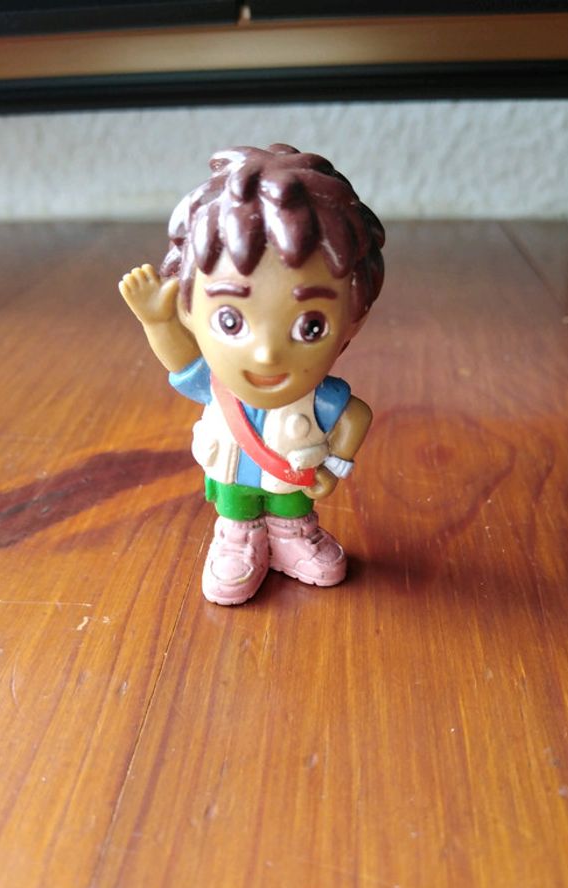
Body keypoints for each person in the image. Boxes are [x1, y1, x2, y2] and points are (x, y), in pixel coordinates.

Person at [119, 144, 385, 605]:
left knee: (291, 504)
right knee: (236, 504)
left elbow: (355, 416)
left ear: (353, 319)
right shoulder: (216, 384)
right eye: (230, 320)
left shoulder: (318, 397)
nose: (266, 354)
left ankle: (293, 535)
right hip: (233, 472)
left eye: (310, 326)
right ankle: (238, 539)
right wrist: (156, 322)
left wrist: (335, 464)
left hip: (291, 476)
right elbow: (182, 363)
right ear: (188, 308)